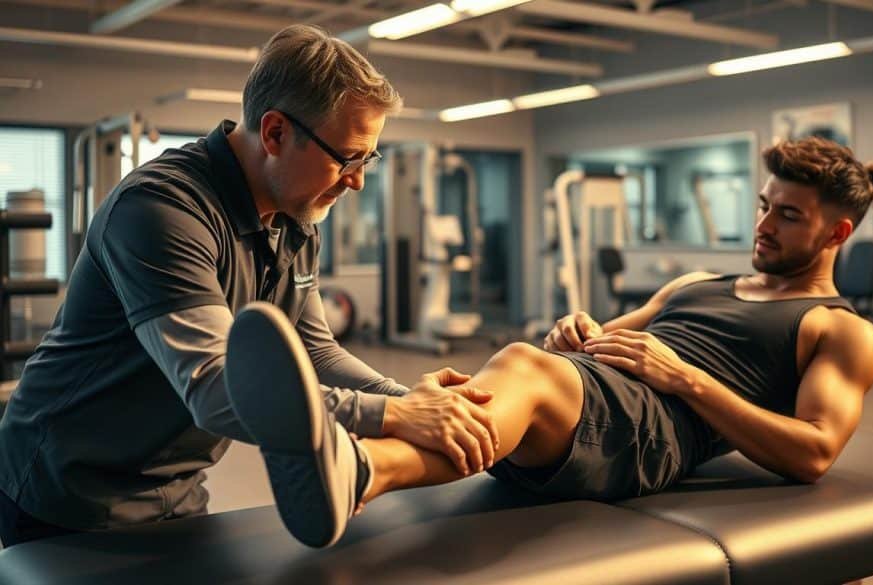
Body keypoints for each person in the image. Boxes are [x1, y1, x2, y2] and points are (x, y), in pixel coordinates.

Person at [227, 136, 873, 548]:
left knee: (520, 368)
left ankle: (361, 459)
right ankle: (362, 471)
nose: (765, 224)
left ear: (836, 234)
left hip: (654, 431)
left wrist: (686, 377)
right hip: (604, 399)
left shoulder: (840, 328)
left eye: (788, 214)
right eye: (764, 205)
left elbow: (815, 452)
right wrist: (576, 332)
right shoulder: (700, 280)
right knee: (513, 368)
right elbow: (606, 339)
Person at [0, 24, 500, 548]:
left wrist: (416, 402)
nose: (356, 180)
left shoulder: (297, 219)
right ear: (275, 132)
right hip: (67, 493)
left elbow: (315, 351)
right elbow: (217, 388)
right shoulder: (161, 210)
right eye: (347, 157)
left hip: (178, 488)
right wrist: (396, 414)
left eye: (366, 159)